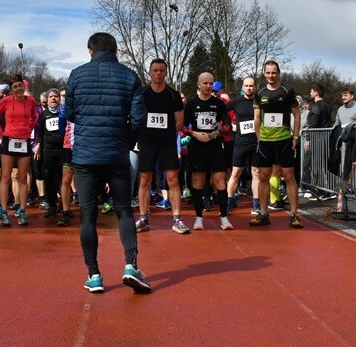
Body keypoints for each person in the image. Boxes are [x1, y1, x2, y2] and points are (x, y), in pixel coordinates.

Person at [65, 32, 151, 294]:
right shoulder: (130, 76)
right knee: (124, 210)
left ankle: (94, 275)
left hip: (86, 155)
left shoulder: (77, 75)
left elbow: (69, 113)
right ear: (116, 51)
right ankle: (129, 265)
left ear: (90, 50)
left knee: (88, 217)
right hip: (116, 153)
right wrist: (125, 142)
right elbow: (139, 118)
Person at [136, 59, 190, 234]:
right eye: (155, 70)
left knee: (173, 179)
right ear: (150, 72)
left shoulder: (173, 95)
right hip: (146, 143)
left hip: (167, 143)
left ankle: (177, 219)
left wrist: (165, 134)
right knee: (145, 179)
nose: (158, 73)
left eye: (161, 70)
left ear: (166, 72)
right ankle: (143, 218)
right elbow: (136, 117)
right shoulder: (141, 94)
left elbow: (179, 122)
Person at [251, 60, 304, 229]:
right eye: (268, 73)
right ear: (264, 73)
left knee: (289, 176)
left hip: (284, 140)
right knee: (263, 176)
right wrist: (259, 138)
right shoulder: (260, 93)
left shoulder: (287, 91)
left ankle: (294, 214)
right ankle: (263, 213)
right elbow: (257, 118)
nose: (271, 76)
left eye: (274, 73)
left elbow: (297, 115)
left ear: (278, 73)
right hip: (266, 141)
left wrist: (295, 137)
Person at [183, 72, 233, 230]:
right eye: (205, 83)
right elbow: (182, 127)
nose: (208, 86)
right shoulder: (191, 104)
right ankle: (199, 217)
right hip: (197, 148)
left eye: (211, 83)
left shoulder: (218, 103)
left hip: (215, 146)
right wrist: (195, 134)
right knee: (198, 181)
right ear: (198, 84)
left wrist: (214, 134)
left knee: (220, 180)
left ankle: (224, 217)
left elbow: (227, 125)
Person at [0, 75, 39, 226]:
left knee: (22, 178)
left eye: (20, 86)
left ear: (24, 86)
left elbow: (34, 116)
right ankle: (4, 212)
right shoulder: (6, 101)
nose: (18, 89)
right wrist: (0, 132)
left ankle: (22, 211)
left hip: (24, 141)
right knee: (6, 177)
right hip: (8, 140)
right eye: (15, 87)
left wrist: (29, 128)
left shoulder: (30, 101)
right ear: (11, 90)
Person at [226, 76, 259, 213]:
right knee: (236, 172)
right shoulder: (236, 101)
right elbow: (222, 111)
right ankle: (228, 203)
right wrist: (229, 126)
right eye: (246, 86)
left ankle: (256, 205)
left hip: (256, 142)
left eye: (251, 86)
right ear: (242, 87)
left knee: (256, 173)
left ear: (255, 87)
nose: (249, 88)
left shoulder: (260, 100)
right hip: (240, 142)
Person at [36, 89, 66, 219]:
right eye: (51, 97)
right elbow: (41, 133)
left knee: (62, 179)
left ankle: (63, 206)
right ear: (47, 100)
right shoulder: (43, 115)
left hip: (63, 150)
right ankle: (52, 206)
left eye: (56, 96)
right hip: (48, 151)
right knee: (49, 180)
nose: (54, 99)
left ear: (59, 99)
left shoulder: (64, 113)